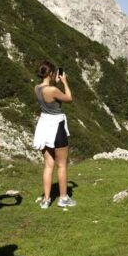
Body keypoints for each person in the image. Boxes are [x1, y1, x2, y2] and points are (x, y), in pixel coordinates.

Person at [31, 61, 74, 209]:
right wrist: (64, 82)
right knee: (62, 164)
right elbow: (69, 98)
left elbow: (48, 92)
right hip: (56, 126)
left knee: (48, 165)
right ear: (51, 74)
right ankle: (63, 198)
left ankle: (46, 199)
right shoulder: (53, 90)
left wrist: (54, 82)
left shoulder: (37, 88)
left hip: (44, 125)